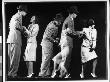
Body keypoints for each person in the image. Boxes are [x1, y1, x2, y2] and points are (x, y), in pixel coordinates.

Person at [51, 6, 79, 78]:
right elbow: (71, 32)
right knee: (65, 60)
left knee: (63, 59)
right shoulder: (70, 20)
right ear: (73, 13)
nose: (76, 15)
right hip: (67, 42)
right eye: (76, 13)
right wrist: (80, 33)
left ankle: (60, 74)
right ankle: (60, 74)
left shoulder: (68, 19)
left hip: (64, 42)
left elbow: (68, 32)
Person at [38, 13, 64, 78]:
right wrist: (55, 41)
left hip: (49, 43)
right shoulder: (52, 26)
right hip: (47, 43)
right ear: (57, 20)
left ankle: (47, 73)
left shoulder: (54, 25)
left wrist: (56, 38)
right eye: (60, 22)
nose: (60, 23)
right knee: (46, 58)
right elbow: (48, 36)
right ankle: (42, 74)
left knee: (48, 58)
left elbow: (52, 35)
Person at [7, 5, 27, 77]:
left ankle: (10, 73)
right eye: (25, 12)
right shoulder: (18, 16)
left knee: (11, 58)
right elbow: (16, 25)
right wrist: (24, 29)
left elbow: (11, 26)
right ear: (22, 11)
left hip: (11, 38)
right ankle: (13, 74)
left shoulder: (14, 16)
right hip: (15, 39)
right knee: (15, 58)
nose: (26, 14)